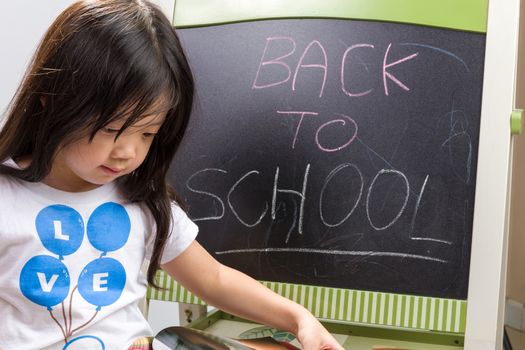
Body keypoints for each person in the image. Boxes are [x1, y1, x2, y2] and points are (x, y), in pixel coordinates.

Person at [0, 1, 345, 349]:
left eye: (148, 133)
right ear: (50, 98)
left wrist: (300, 319)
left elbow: (213, 280)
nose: (128, 152)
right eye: (111, 128)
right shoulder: (7, 198)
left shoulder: (141, 200)